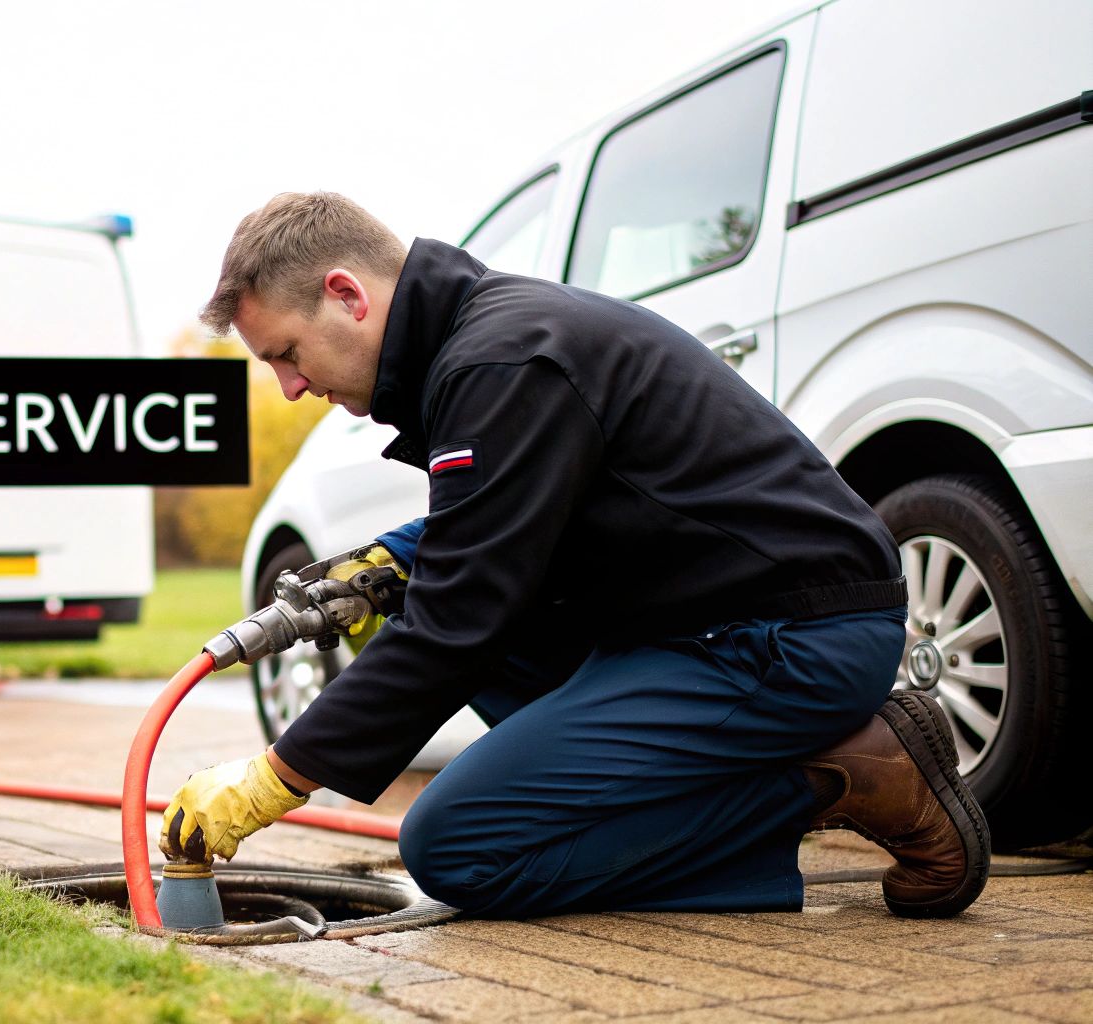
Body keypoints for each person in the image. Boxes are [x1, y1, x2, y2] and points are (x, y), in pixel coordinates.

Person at [160, 192, 988, 919]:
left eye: (286, 355)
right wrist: (385, 561)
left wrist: (281, 775)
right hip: (719, 617)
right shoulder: (489, 342)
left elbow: (462, 618)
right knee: (424, 596)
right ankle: (666, 788)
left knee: (459, 849)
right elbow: (500, 532)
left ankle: (845, 775)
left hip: (789, 638)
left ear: (347, 296)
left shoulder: (502, 359)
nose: (290, 389)